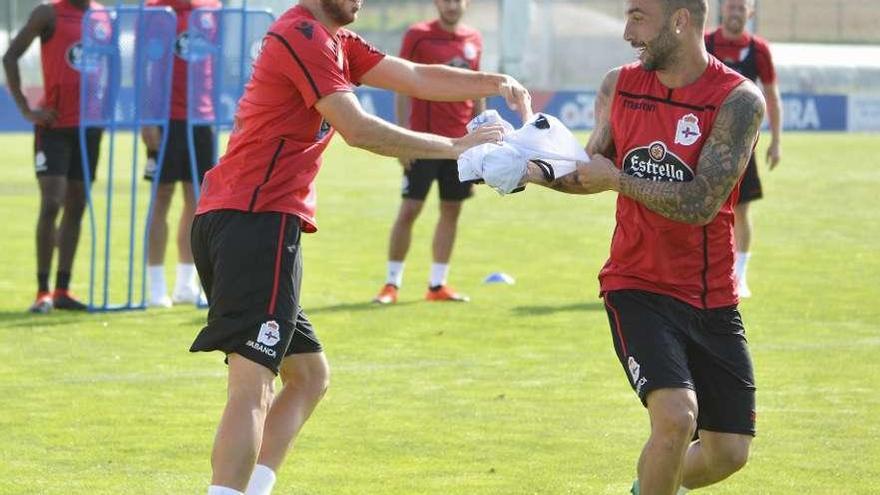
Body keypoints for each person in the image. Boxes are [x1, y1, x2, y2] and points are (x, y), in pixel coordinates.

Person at [188, 1, 531, 493]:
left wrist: (493, 81)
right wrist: (456, 146)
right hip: (253, 221)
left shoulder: (335, 41)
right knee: (253, 384)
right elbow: (358, 129)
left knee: (308, 376)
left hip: (252, 220)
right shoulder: (303, 34)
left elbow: (413, 76)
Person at [521, 1, 765, 493]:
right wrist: (519, 169)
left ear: (679, 20)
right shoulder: (620, 85)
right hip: (637, 284)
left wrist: (619, 179)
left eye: (637, 17)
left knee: (728, 452)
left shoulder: (739, 100)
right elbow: (588, 172)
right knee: (676, 417)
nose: (628, 32)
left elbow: (699, 203)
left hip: (711, 295)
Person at [373, 0, 483, 305]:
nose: (451, 5)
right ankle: (391, 284)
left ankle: (438, 285)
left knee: (452, 210)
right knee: (409, 210)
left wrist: (480, 134)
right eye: (445, 0)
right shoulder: (417, 35)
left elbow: (477, 89)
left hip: (461, 146)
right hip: (423, 142)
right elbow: (401, 85)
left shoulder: (474, 39)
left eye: (456, 0)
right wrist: (402, 139)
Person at [3, 0, 104, 313]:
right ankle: (42, 290)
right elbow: (10, 56)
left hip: (90, 127)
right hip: (54, 126)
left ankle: (62, 288)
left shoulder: (104, 16)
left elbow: (108, 66)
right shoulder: (48, 12)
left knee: (77, 204)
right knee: (52, 203)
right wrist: (25, 109)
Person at [141, 0, 220, 308]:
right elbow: (145, 66)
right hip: (165, 118)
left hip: (202, 119)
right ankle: (155, 285)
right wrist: (148, 117)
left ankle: (186, 284)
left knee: (198, 200)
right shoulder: (156, 10)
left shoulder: (212, 9)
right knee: (162, 196)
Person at [705, 0, 782, 297]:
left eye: (742, 8)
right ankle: (704, 273)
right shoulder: (705, 43)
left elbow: (772, 97)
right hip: (704, 142)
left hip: (743, 145)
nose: (736, 13)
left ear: (750, 13)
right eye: (732, 7)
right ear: (724, 10)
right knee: (700, 207)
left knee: (741, 211)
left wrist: (776, 141)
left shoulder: (759, 50)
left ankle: (739, 277)